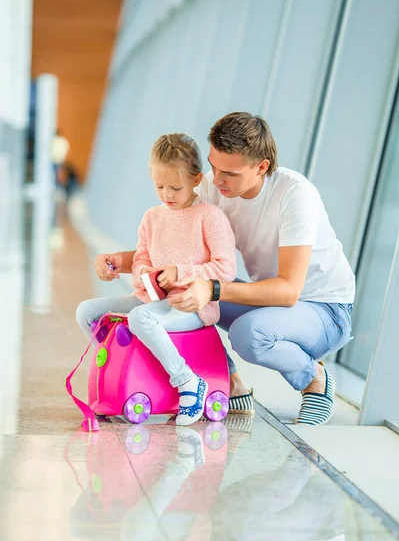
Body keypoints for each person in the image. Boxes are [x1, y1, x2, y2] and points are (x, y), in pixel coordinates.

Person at [91, 113, 355, 425]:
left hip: (324, 308)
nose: (216, 180)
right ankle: (229, 380)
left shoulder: (295, 196)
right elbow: (176, 250)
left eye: (228, 172)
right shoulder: (218, 188)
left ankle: (315, 380)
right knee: (186, 295)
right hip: (269, 299)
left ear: (261, 167)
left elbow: (288, 291)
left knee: (247, 333)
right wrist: (121, 262)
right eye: (213, 167)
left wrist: (212, 288)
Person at [76, 133, 236, 425]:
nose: (167, 194)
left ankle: (187, 381)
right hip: (150, 299)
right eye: (159, 186)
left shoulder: (209, 217)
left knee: (141, 319)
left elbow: (226, 269)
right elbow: (141, 259)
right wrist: (143, 274)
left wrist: (181, 272)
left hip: (191, 306)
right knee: (87, 311)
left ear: (197, 179)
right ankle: (120, 365)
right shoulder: (152, 218)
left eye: (175, 187)